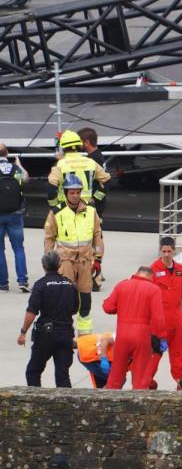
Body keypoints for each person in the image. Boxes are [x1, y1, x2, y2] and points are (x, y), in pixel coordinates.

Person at [43, 173, 103, 333]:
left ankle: (84, 333)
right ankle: (64, 331)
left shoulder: (91, 212)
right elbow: (49, 239)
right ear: (66, 193)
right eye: (72, 192)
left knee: (85, 299)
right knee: (64, 300)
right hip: (65, 263)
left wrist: (98, 259)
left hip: (85, 262)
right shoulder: (56, 213)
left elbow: (97, 235)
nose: (75, 196)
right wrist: (49, 264)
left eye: (78, 192)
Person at [17, 251, 77, 387]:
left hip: (46, 335)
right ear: (60, 264)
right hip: (65, 334)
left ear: (43, 266)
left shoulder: (40, 285)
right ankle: (66, 405)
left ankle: (36, 402)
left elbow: (31, 312)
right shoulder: (70, 285)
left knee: (33, 371)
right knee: (62, 375)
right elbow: (75, 309)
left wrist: (23, 332)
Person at [102, 266, 166, 390]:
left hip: (122, 335)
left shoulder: (122, 285)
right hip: (142, 336)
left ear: (136, 273)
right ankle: (139, 404)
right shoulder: (154, 289)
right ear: (151, 277)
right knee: (141, 377)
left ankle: (110, 401)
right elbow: (158, 318)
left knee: (116, 374)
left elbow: (108, 307)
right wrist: (161, 337)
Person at [147, 237, 182, 386]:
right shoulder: (153, 269)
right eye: (163, 251)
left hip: (176, 320)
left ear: (174, 251)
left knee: (179, 359)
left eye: (169, 251)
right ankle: (145, 386)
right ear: (160, 251)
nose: (166, 254)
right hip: (159, 322)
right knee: (153, 357)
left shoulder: (180, 270)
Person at [47, 130, 110, 214]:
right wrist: (95, 198)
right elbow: (107, 181)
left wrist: (55, 207)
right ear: (79, 145)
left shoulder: (59, 165)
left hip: (66, 211)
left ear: (63, 147)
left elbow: (51, 189)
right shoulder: (91, 162)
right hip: (87, 210)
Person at [0, 142, 29, 292]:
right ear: (6, 153)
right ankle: (22, 280)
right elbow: (25, 180)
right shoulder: (15, 168)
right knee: (18, 248)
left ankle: (3, 284)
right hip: (15, 214)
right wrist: (19, 164)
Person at [76, 128, 109, 217]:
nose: (78, 145)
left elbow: (105, 183)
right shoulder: (96, 156)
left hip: (94, 208)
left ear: (86, 142)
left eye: (80, 142)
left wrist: (95, 199)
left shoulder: (94, 159)